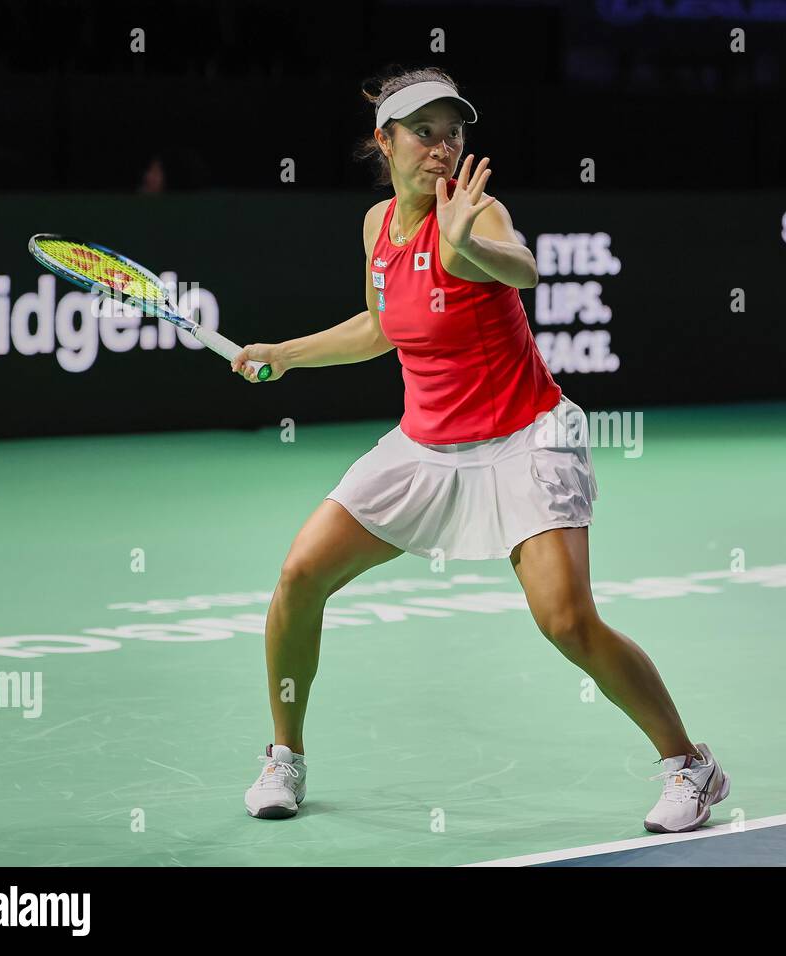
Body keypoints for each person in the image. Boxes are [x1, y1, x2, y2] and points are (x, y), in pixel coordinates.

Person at [229, 68, 728, 834]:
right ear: (384, 142)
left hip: (527, 437)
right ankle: (284, 754)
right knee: (300, 575)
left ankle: (689, 763)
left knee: (567, 622)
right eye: (423, 131)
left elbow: (524, 268)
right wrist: (286, 353)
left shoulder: (478, 211)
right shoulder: (376, 227)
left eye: (453, 131)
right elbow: (378, 328)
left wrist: (468, 246)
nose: (442, 146)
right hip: (426, 447)